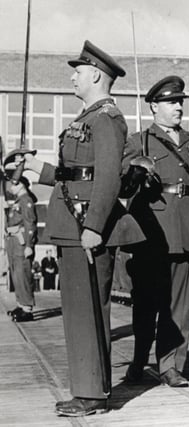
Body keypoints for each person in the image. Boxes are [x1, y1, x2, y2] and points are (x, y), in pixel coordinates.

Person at [21, 40, 145, 416]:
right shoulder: (88, 118)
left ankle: (92, 394)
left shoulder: (106, 118)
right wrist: (38, 170)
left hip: (85, 228)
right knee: (78, 310)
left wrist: (93, 227)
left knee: (87, 311)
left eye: (78, 71)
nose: (73, 77)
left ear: (94, 75)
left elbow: (107, 177)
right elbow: (77, 172)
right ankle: (88, 389)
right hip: (72, 223)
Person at [125, 75, 189, 388]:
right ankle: (139, 359)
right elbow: (124, 187)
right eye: (171, 102)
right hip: (152, 232)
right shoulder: (139, 141)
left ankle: (171, 366)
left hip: (187, 230)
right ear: (154, 106)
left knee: (179, 306)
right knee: (147, 303)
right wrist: (138, 171)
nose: (178, 106)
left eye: (180, 101)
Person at [3, 175, 37, 322]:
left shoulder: (26, 201)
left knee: (23, 275)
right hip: (13, 243)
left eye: (14, 185)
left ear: (22, 185)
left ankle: (27, 308)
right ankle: (20, 304)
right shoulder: (17, 202)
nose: (11, 187)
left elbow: (30, 224)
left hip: (22, 243)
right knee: (16, 276)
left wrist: (29, 245)